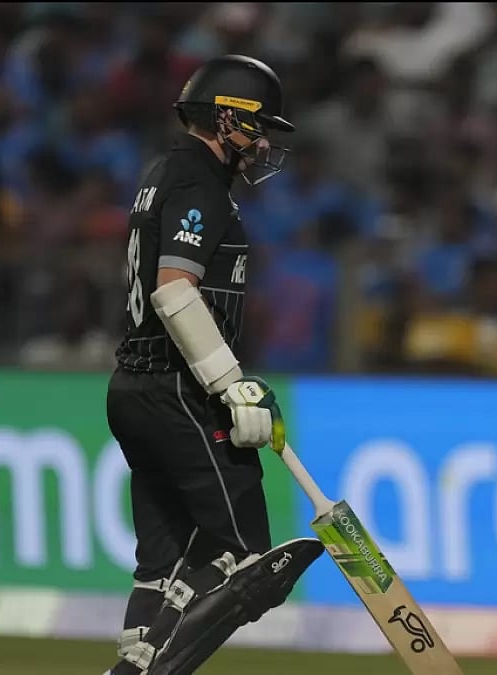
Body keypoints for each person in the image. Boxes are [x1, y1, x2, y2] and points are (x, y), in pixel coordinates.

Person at [103, 54, 324, 675]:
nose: (264, 145)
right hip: (179, 391)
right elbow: (175, 290)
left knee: (165, 563)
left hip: (136, 388)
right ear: (228, 118)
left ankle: (132, 667)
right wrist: (232, 387)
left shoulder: (162, 173)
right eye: (260, 128)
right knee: (244, 558)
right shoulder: (197, 181)